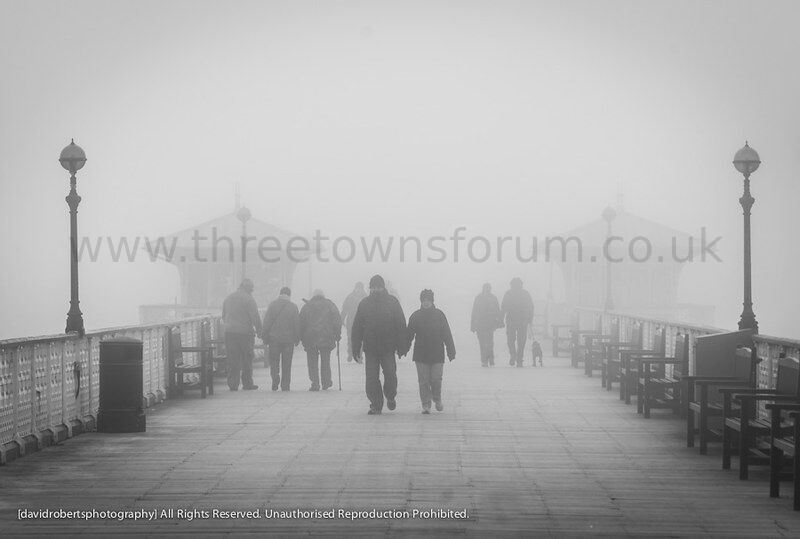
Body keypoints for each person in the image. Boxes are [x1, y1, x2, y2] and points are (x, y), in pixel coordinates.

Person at [351, 274, 406, 415]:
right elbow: (357, 327)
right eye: (374, 287)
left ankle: (390, 395)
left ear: (383, 287)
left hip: (388, 347)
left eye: (378, 287)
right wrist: (355, 347)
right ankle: (376, 404)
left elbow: (400, 324)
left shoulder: (392, 302)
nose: (376, 289)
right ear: (370, 288)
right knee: (371, 378)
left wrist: (402, 345)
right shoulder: (364, 304)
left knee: (390, 375)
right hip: (371, 348)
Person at [406, 289, 455, 414]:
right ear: (421, 301)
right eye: (424, 300)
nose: (426, 302)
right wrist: (403, 348)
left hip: (437, 353)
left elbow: (447, 334)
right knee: (423, 381)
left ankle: (437, 399)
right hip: (421, 354)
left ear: (432, 301)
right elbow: (408, 335)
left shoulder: (439, 315)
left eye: (428, 300)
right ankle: (426, 404)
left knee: (436, 379)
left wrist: (451, 350)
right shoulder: (415, 316)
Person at [222, 278, 263, 391]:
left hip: (229, 333)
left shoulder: (228, 298)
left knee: (232, 359)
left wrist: (229, 325)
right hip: (245, 333)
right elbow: (255, 317)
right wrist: (260, 331)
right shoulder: (248, 299)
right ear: (249, 288)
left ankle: (233, 384)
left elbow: (223, 315)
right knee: (247, 358)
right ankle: (247, 383)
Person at [299, 289, 342, 391]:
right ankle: (326, 382)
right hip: (326, 337)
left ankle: (315, 383)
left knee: (312, 361)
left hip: (310, 337)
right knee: (325, 360)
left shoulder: (307, 307)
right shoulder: (330, 305)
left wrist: (301, 337)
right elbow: (337, 320)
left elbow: (301, 323)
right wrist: (337, 334)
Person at [261, 287, 300, 391]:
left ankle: (275, 378)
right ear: (289, 295)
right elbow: (296, 324)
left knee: (274, 361)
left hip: (274, 339)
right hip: (288, 340)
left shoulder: (272, 305)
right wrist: (297, 338)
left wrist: (264, 335)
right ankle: (285, 385)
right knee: (287, 363)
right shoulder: (293, 307)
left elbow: (267, 321)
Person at [501, 277, 534, 367]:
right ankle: (519, 358)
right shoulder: (525, 294)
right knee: (521, 341)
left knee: (510, 340)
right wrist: (530, 320)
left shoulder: (508, 294)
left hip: (511, 320)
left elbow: (503, 307)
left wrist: (501, 319)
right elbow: (531, 307)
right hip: (522, 320)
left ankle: (513, 354)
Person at [470, 283, 502, 367]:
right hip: (486, 324)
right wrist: (499, 321)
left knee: (485, 342)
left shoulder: (479, 298)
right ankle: (489, 359)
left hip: (483, 323)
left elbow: (474, 312)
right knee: (488, 342)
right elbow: (497, 311)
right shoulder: (492, 298)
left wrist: (473, 325)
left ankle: (486, 360)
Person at [340, 282, 367, 362]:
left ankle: (359, 355)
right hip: (351, 321)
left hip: (362, 322)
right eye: (357, 288)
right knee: (350, 339)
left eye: (360, 288)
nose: (358, 290)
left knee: (361, 340)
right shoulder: (350, 297)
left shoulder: (365, 298)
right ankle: (350, 353)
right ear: (355, 289)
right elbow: (345, 309)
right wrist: (342, 319)